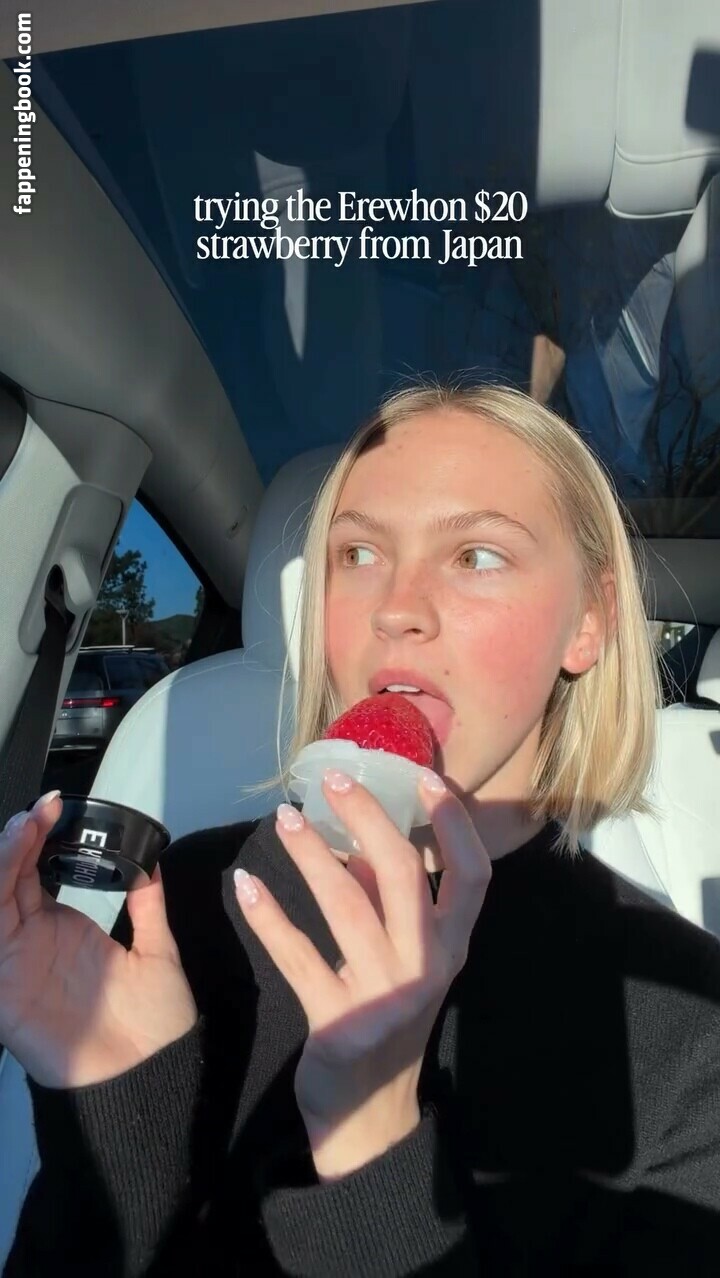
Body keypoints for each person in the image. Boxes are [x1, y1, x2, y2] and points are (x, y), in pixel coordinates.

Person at [2, 382, 720, 1277]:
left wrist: (371, 1139)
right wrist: (120, 1105)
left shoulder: (689, 1029)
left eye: (478, 555)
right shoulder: (188, 902)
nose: (395, 606)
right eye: (359, 552)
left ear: (589, 621)